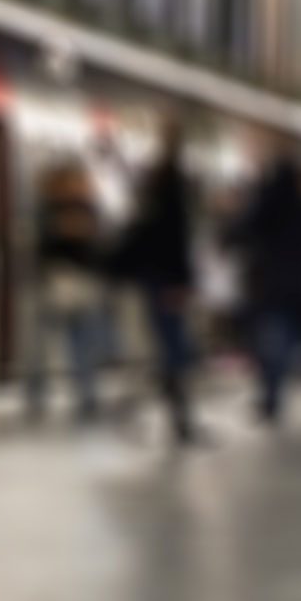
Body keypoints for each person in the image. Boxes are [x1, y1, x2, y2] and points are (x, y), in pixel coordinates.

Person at [112, 124, 203, 446]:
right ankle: (179, 417)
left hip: (152, 276)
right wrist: (183, 279)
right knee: (173, 345)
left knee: (167, 343)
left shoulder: (155, 184)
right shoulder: (172, 184)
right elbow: (176, 238)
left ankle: (173, 413)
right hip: (166, 279)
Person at [226, 146, 301, 423]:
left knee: (272, 342)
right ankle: (272, 395)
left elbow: (246, 230)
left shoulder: (272, 204)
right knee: (276, 341)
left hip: (272, 285)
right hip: (283, 285)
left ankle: (271, 397)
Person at [24, 158, 108, 423]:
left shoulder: (91, 209)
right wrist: (64, 231)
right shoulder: (45, 209)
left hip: (85, 283)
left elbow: (100, 245)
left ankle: (87, 395)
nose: (79, 186)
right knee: (39, 346)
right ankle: (36, 395)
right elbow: (39, 244)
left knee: (83, 343)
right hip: (53, 282)